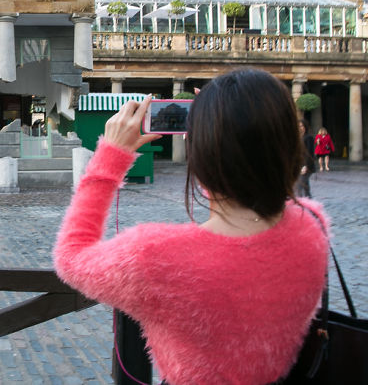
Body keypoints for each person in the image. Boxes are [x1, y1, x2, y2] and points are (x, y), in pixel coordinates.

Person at [53, 68, 328, 385]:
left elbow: (71, 257)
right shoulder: (312, 224)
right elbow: (246, 193)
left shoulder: (155, 256)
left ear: (204, 154)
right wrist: (228, 133)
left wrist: (110, 157)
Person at [295, 119, 315, 197]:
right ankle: (310, 205)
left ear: (305, 126)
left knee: (298, 187)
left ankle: (301, 205)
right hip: (300, 165)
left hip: (307, 166)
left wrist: (306, 166)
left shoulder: (308, 137)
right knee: (306, 188)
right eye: (299, 126)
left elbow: (309, 153)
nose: (300, 128)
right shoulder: (300, 137)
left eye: (302, 126)